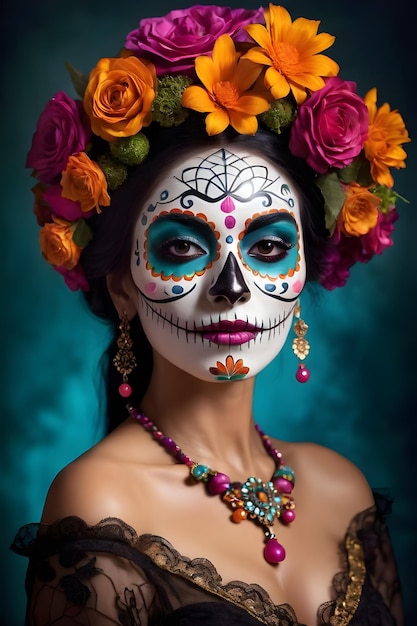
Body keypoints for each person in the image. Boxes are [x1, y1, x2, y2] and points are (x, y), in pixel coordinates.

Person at [11, 3, 410, 624]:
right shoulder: (97, 502)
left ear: (303, 274)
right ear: (120, 286)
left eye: (270, 247)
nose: (231, 286)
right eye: (181, 247)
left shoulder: (343, 488)